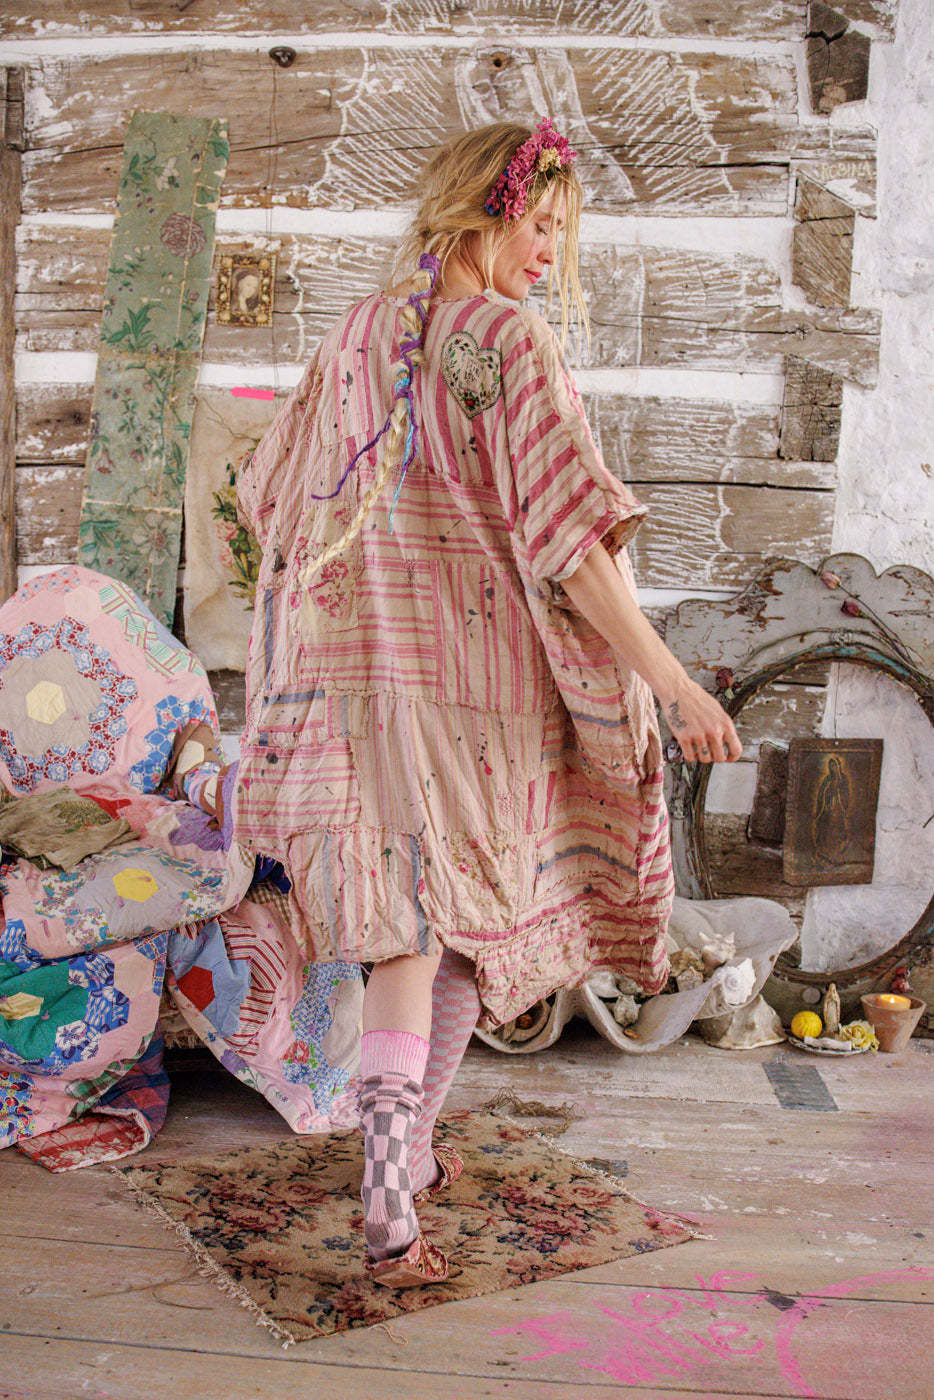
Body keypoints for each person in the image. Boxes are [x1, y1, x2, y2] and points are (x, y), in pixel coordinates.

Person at [233, 118, 741, 1287]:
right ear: (481, 210)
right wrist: (667, 680)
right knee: (455, 910)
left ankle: (399, 1160)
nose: (549, 254)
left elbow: (267, 499)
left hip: (346, 683)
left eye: (560, 233)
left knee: (417, 923)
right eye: (540, 226)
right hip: (473, 692)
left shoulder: (354, 331)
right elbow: (571, 541)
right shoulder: (507, 340)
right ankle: (390, 1173)